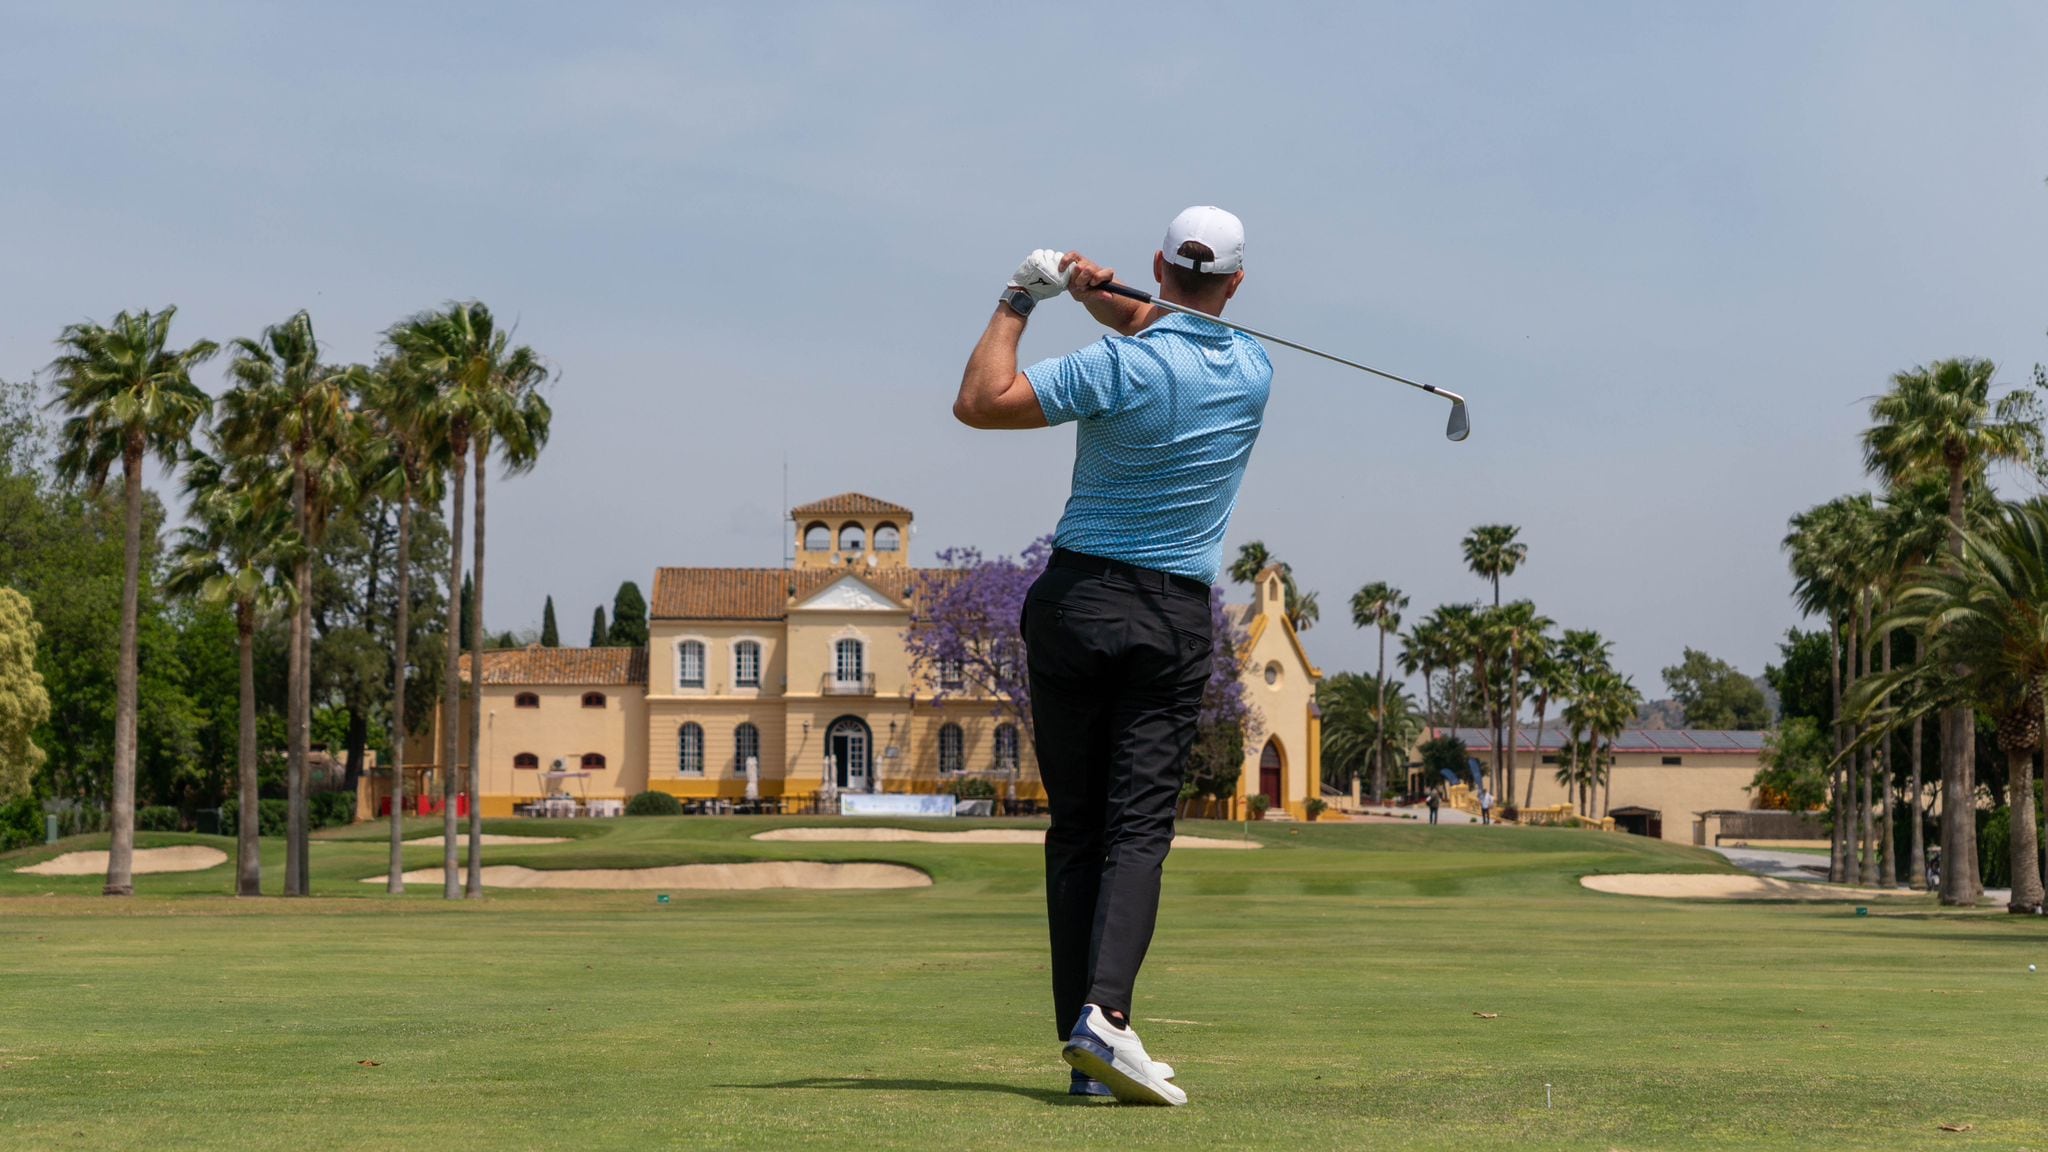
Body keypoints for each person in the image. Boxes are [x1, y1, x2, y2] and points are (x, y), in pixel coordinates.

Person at [953, 207, 1269, 1107]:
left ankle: (1086, 1044)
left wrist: (1023, 297)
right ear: (1238, 285)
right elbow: (1165, 327)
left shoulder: (1117, 366)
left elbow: (981, 403)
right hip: (1171, 615)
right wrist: (1101, 294)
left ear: (1161, 266)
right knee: (1138, 831)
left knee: (1078, 833)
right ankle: (1107, 1020)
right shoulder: (1253, 369)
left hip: (1078, 603)